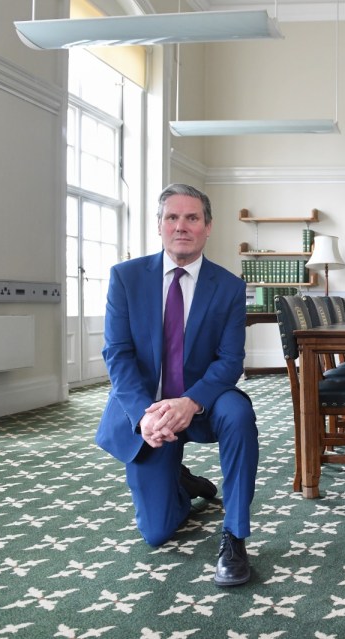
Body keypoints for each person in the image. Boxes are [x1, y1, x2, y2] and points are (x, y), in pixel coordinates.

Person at [96, 183, 258, 586]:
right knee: (157, 533)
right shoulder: (126, 278)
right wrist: (143, 415)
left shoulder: (229, 287)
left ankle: (235, 536)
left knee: (239, 414)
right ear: (159, 225)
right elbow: (118, 353)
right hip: (148, 412)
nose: (181, 226)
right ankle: (183, 482)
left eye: (192, 218)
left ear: (208, 227)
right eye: (172, 217)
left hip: (205, 401)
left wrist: (191, 401)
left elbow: (230, 360)